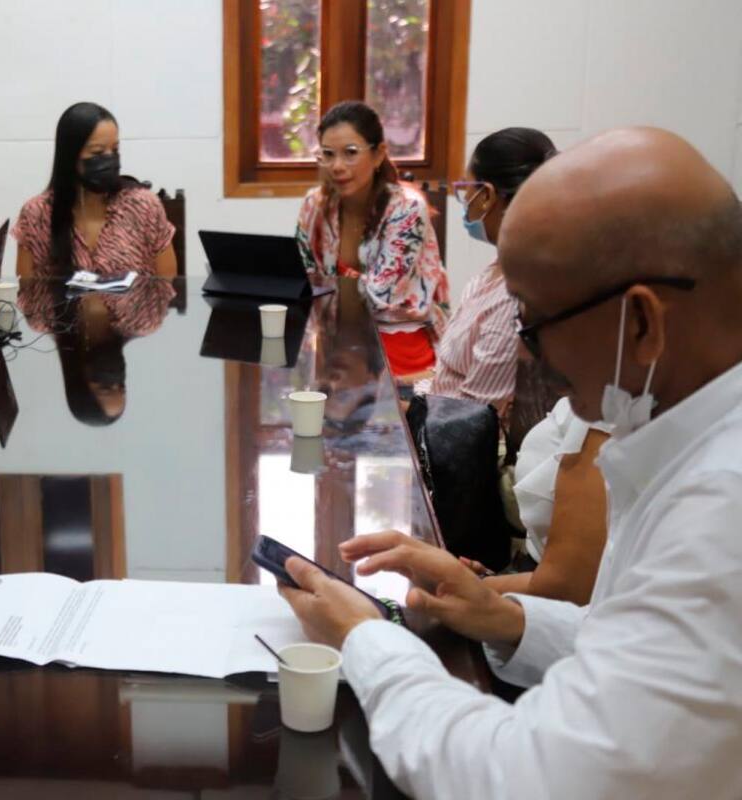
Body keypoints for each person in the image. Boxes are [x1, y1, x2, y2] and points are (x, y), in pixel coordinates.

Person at [278, 128, 742, 799]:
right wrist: (497, 613)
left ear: (641, 323)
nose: (528, 355)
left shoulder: (722, 511)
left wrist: (367, 641)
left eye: (533, 322)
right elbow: (632, 642)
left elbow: (525, 777)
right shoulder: (687, 436)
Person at [295, 101, 448, 379]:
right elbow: (302, 276)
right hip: (335, 341)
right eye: (327, 155)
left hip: (396, 346)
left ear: (378, 155)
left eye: (350, 153)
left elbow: (379, 297)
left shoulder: (406, 208)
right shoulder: (314, 206)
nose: (337, 166)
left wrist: (322, 286)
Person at [429, 128, 557, 416]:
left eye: (467, 188)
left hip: (450, 438)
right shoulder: (498, 270)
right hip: (437, 412)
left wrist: (397, 412)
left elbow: (468, 417)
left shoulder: (513, 297)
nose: (465, 201)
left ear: (486, 196)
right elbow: (449, 379)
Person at [463, 396, 610, 605]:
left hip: (551, 600)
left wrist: (471, 585)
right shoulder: (599, 399)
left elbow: (568, 585)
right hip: (532, 574)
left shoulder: (609, 408)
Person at [13, 102, 176, 280]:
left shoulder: (144, 206)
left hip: (135, 308)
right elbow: (28, 292)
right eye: (97, 152)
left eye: (115, 150)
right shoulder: (36, 214)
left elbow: (167, 285)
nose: (109, 158)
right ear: (70, 155)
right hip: (63, 309)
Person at [18, 276, 174, 425]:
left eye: (105, 387)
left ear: (79, 383)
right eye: (121, 385)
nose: (114, 378)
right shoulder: (145, 320)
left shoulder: (42, 315)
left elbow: (24, 251)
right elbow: (162, 252)